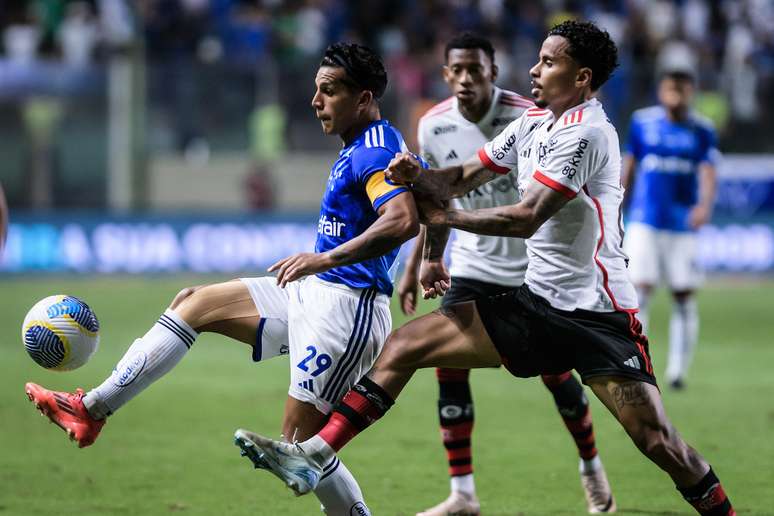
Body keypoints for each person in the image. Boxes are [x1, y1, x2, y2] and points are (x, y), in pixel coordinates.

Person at [236, 21, 735, 516]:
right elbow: (461, 176)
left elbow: (526, 217)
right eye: (539, 58)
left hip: (598, 316)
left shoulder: (589, 133)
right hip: (537, 304)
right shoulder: (532, 124)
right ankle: (315, 456)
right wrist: (420, 177)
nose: (535, 69)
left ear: (581, 77)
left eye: (549, 62)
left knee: (659, 444)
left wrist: (443, 215)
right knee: (407, 345)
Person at [25, 42, 420, 516]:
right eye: (316, 90)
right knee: (194, 303)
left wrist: (323, 260)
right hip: (312, 293)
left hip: (348, 309)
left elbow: (400, 220)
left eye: (330, 91)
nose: (316, 101)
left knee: (301, 448)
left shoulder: (375, 149)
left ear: (364, 98)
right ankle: (90, 410)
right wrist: (428, 261)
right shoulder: (364, 147)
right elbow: (429, 201)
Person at [398, 32, 614, 515]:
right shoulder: (433, 125)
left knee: (557, 374)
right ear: (446, 74)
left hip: (529, 265)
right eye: (458, 69)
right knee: (445, 364)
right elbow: (437, 196)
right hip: (472, 261)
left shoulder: (529, 114)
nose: (467, 78)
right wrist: (426, 260)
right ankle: (462, 494)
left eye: (477, 69)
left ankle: (590, 463)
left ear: (493, 72)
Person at [621, 66, 718, 390]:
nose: (675, 95)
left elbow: (708, 170)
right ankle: (640, 364)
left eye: (682, 89)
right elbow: (630, 165)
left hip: (681, 225)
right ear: (661, 91)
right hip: (645, 221)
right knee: (640, 291)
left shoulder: (702, 129)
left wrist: (704, 206)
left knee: (684, 295)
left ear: (691, 92)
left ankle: (678, 372)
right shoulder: (642, 123)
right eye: (670, 89)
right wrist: (617, 201)